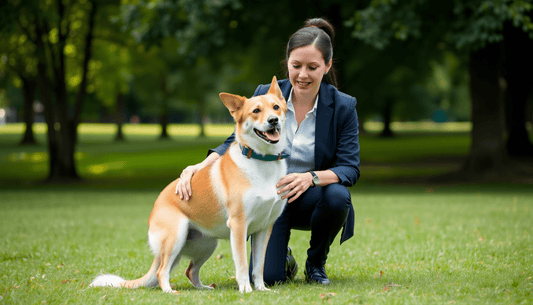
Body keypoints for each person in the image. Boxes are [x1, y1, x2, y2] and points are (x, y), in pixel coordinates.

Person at [176, 18, 360, 286]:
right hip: (268, 199)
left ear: (327, 65)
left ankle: (316, 264)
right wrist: (199, 166)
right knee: (272, 278)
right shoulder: (266, 95)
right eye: (296, 66)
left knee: (338, 195)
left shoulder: (343, 106)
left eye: (312, 67)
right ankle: (283, 257)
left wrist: (311, 178)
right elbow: (235, 140)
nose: (303, 75)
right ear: (287, 62)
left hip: (312, 197)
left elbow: (350, 168)